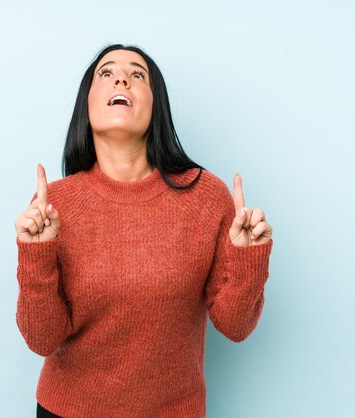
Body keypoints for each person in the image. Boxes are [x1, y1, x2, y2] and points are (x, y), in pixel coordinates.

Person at [14, 43, 274, 418]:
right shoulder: (54, 205)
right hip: (67, 411)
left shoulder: (206, 196)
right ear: (86, 104)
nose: (122, 77)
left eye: (139, 75)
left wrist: (249, 259)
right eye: (106, 73)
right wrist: (35, 255)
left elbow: (235, 327)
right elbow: (42, 339)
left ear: (157, 107)